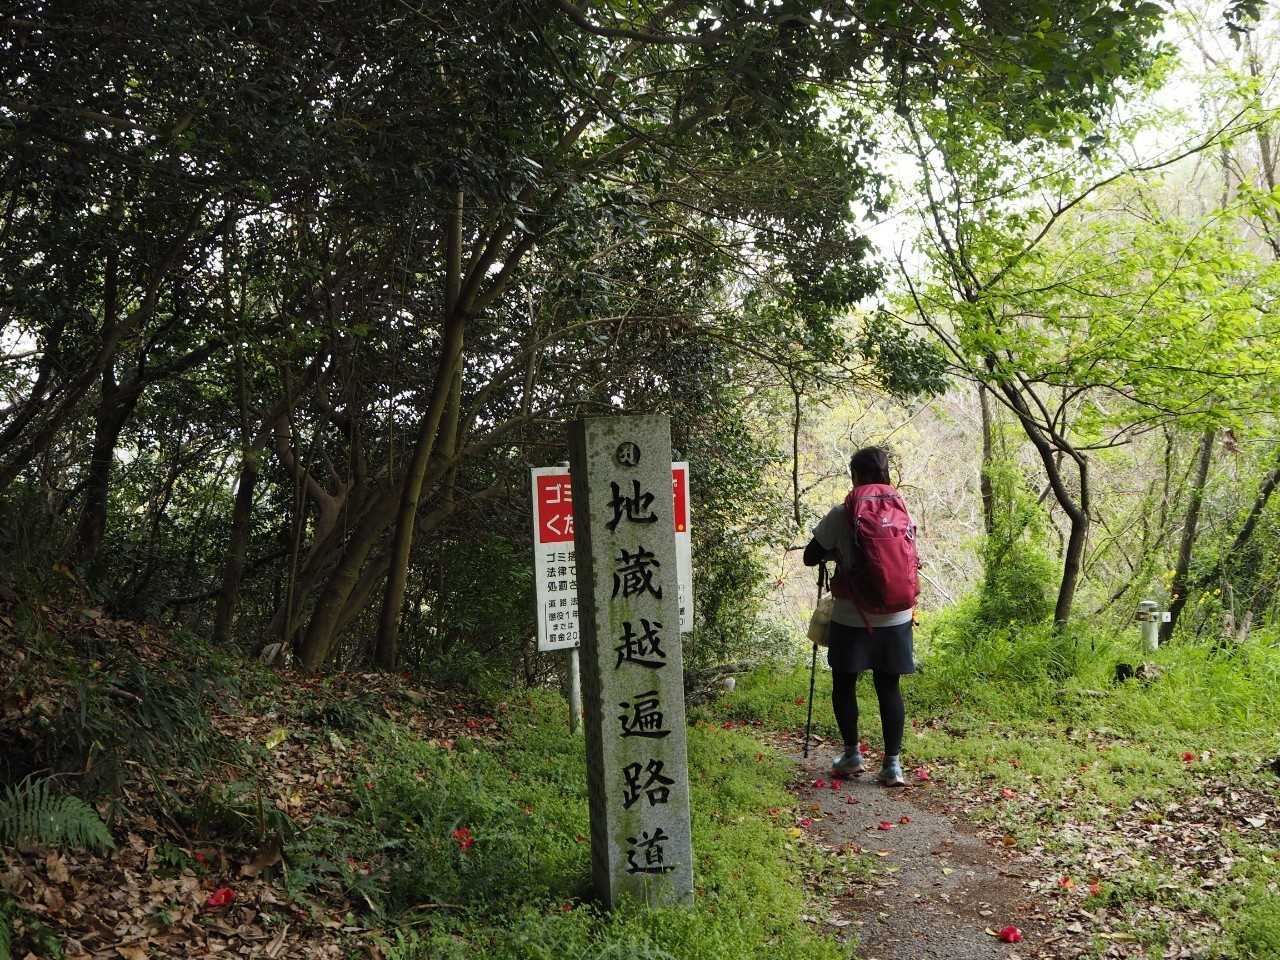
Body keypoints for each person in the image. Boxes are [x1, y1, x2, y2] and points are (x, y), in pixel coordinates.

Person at [803, 446, 916, 787]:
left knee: (844, 683)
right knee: (889, 686)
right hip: (897, 614)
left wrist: (835, 550)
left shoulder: (842, 512)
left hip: (852, 616)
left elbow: (810, 556)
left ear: (856, 475)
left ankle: (852, 755)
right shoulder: (902, 508)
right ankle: (892, 765)